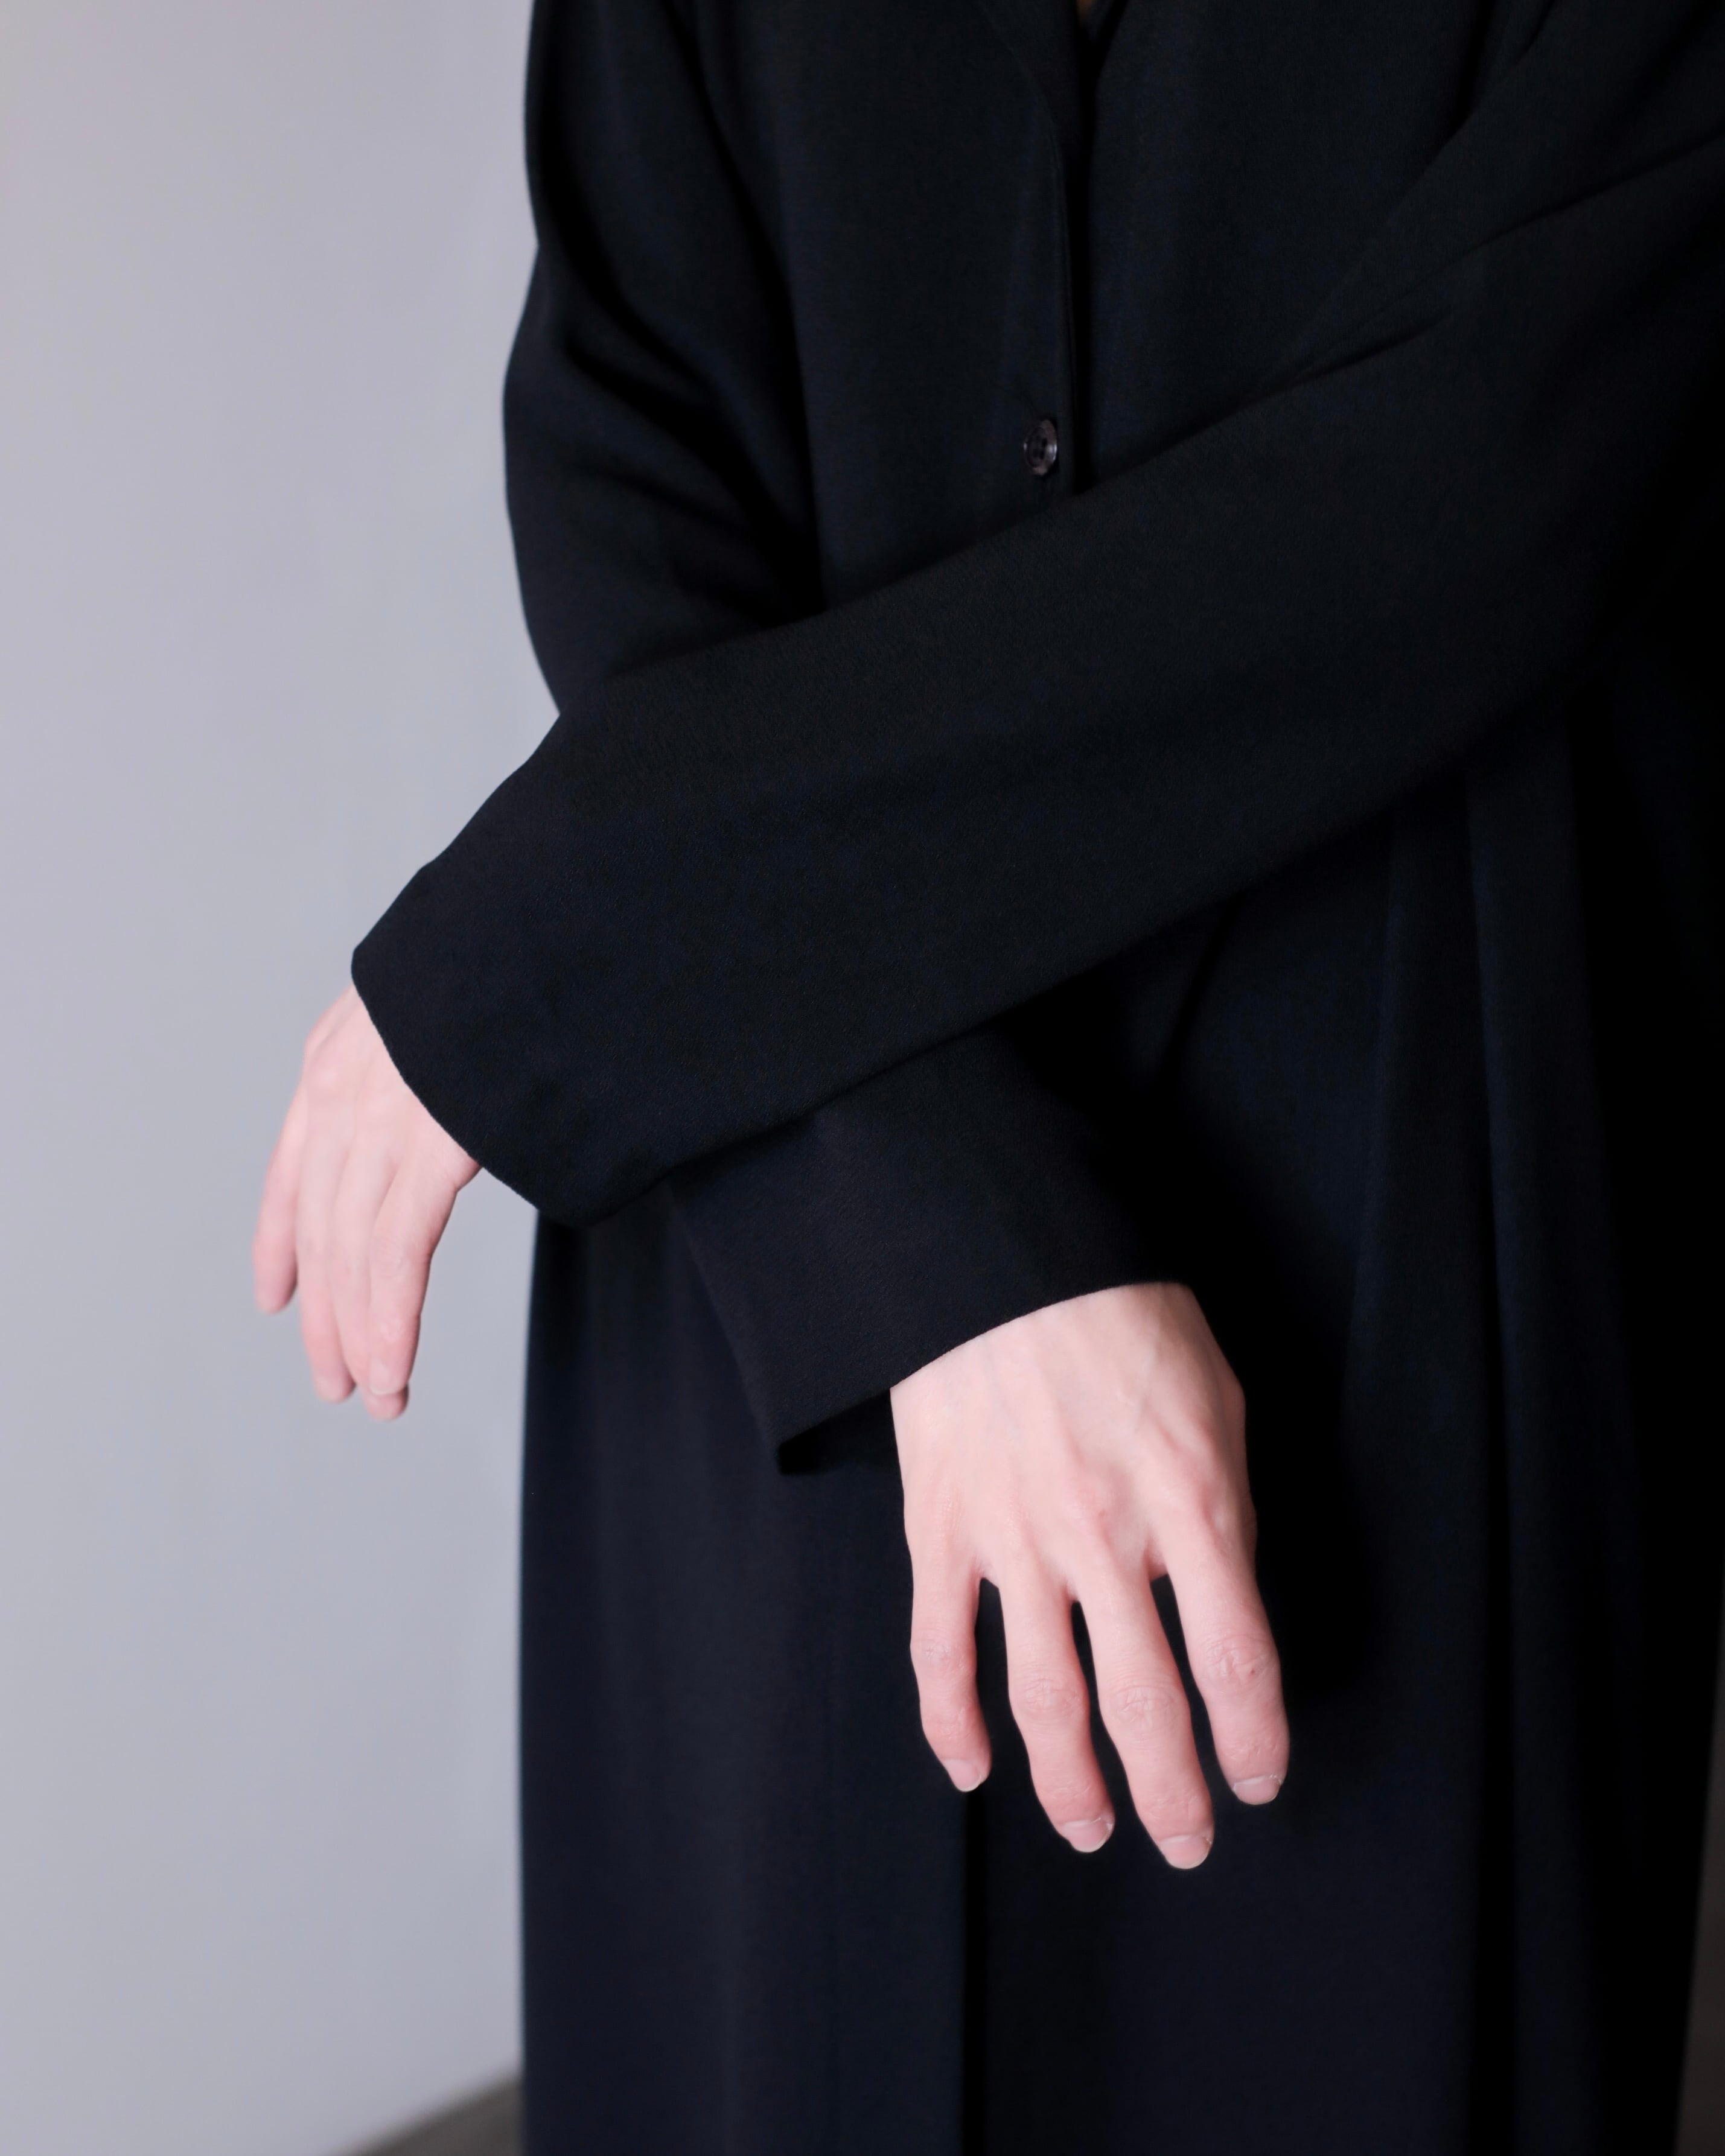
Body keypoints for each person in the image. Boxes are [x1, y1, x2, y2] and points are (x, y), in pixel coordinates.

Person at [254, 0, 1725, 2148]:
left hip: (1409, 1249)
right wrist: (935, 1226)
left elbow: (1499, 466)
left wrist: (575, 903)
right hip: (770, 1248)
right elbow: (633, 446)